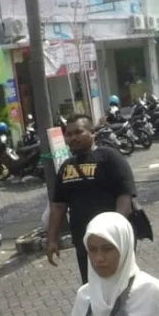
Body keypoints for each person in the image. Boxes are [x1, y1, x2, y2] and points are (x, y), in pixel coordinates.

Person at [47, 114, 137, 283]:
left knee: (120, 286)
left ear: (92, 132)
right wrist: (52, 239)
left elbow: (125, 195)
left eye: (78, 132)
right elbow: (58, 206)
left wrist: (115, 228)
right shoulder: (66, 168)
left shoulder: (109, 157)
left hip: (112, 241)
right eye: (69, 134)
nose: (72, 138)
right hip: (85, 243)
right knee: (92, 288)